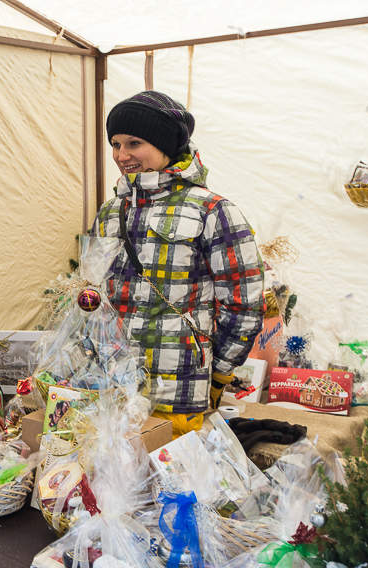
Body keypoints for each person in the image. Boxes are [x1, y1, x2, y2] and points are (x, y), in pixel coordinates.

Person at [93, 90, 264, 435]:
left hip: (178, 391)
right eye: (115, 144)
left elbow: (245, 305)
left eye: (134, 143)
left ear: (166, 144)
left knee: (169, 486)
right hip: (110, 389)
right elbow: (94, 294)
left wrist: (218, 371)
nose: (121, 155)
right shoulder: (112, 210)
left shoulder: (213, 210)